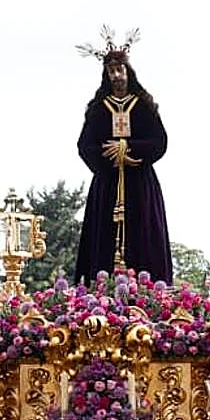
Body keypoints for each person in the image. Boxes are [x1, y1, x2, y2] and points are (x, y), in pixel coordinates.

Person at [75, 29, 171, 284]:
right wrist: (108, 157)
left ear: (128, 71)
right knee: (103, 234)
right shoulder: (98, 109)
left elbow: (160, 141)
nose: (117, 76)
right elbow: (85, 146)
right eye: (112, 72)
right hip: (107, 184)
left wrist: (128, 149)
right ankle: (100, 289)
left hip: (140, 182)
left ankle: (149, 287)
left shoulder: (144, 105)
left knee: (144, 231)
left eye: (120, 70)